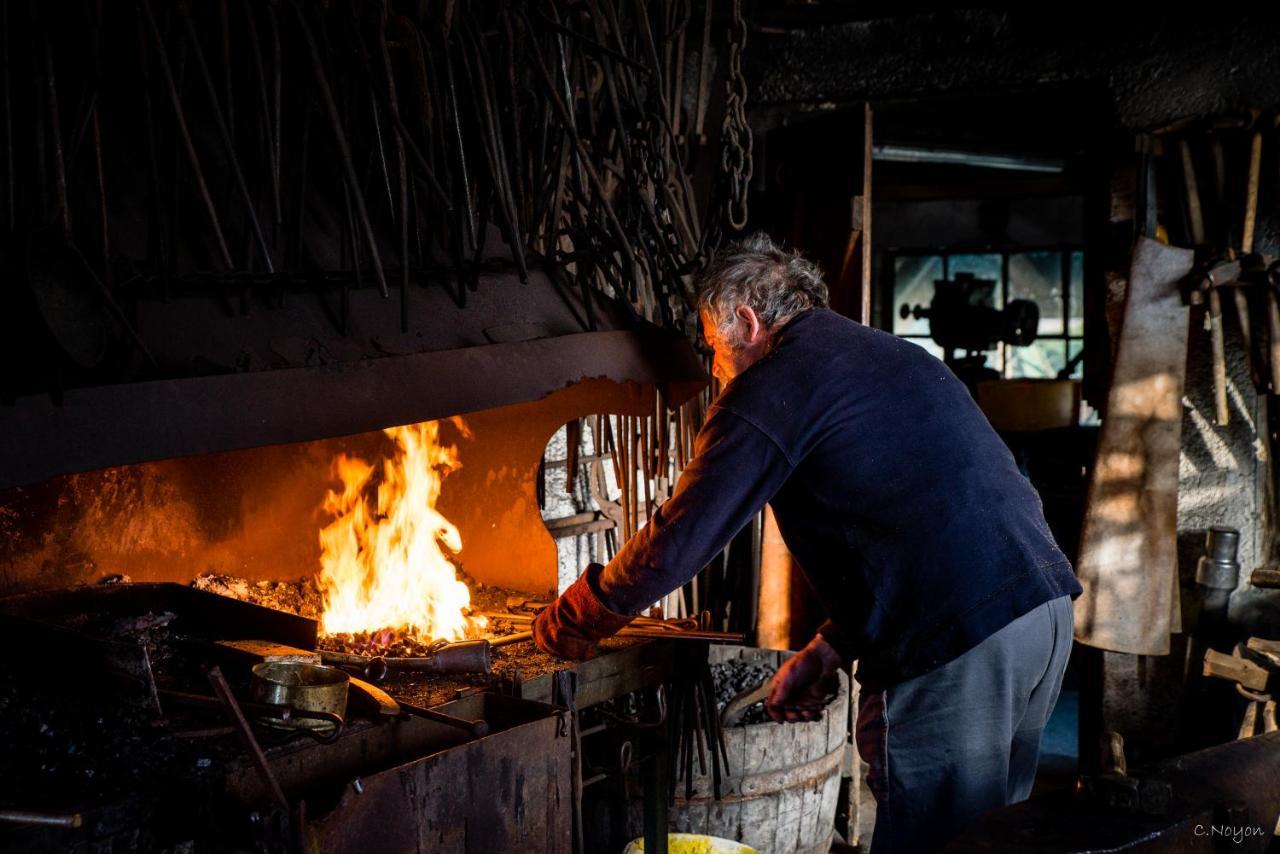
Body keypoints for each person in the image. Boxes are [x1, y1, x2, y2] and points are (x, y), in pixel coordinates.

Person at [532, 233, 1081, 852]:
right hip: (1040, 612)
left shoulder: (772, 384)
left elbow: (684, 533)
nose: (714, 368)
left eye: (713, 346)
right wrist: (828, 648)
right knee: (992, 839)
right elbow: (912, 525)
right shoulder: (887, 354)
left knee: (939, 842)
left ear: (745, 320)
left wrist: (582, 613)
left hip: (958, 641)